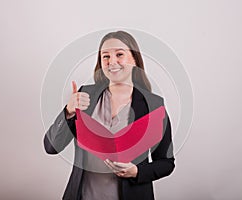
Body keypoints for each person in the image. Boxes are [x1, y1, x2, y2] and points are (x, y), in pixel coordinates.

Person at [43, 30, 175, 200]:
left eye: (119, 54)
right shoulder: (85, 96)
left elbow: (166, 163)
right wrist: (68, 111)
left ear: (134, 59)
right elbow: (51, 147)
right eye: (105, 56)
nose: (112, 62)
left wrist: (136, 171)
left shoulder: (153, 106)